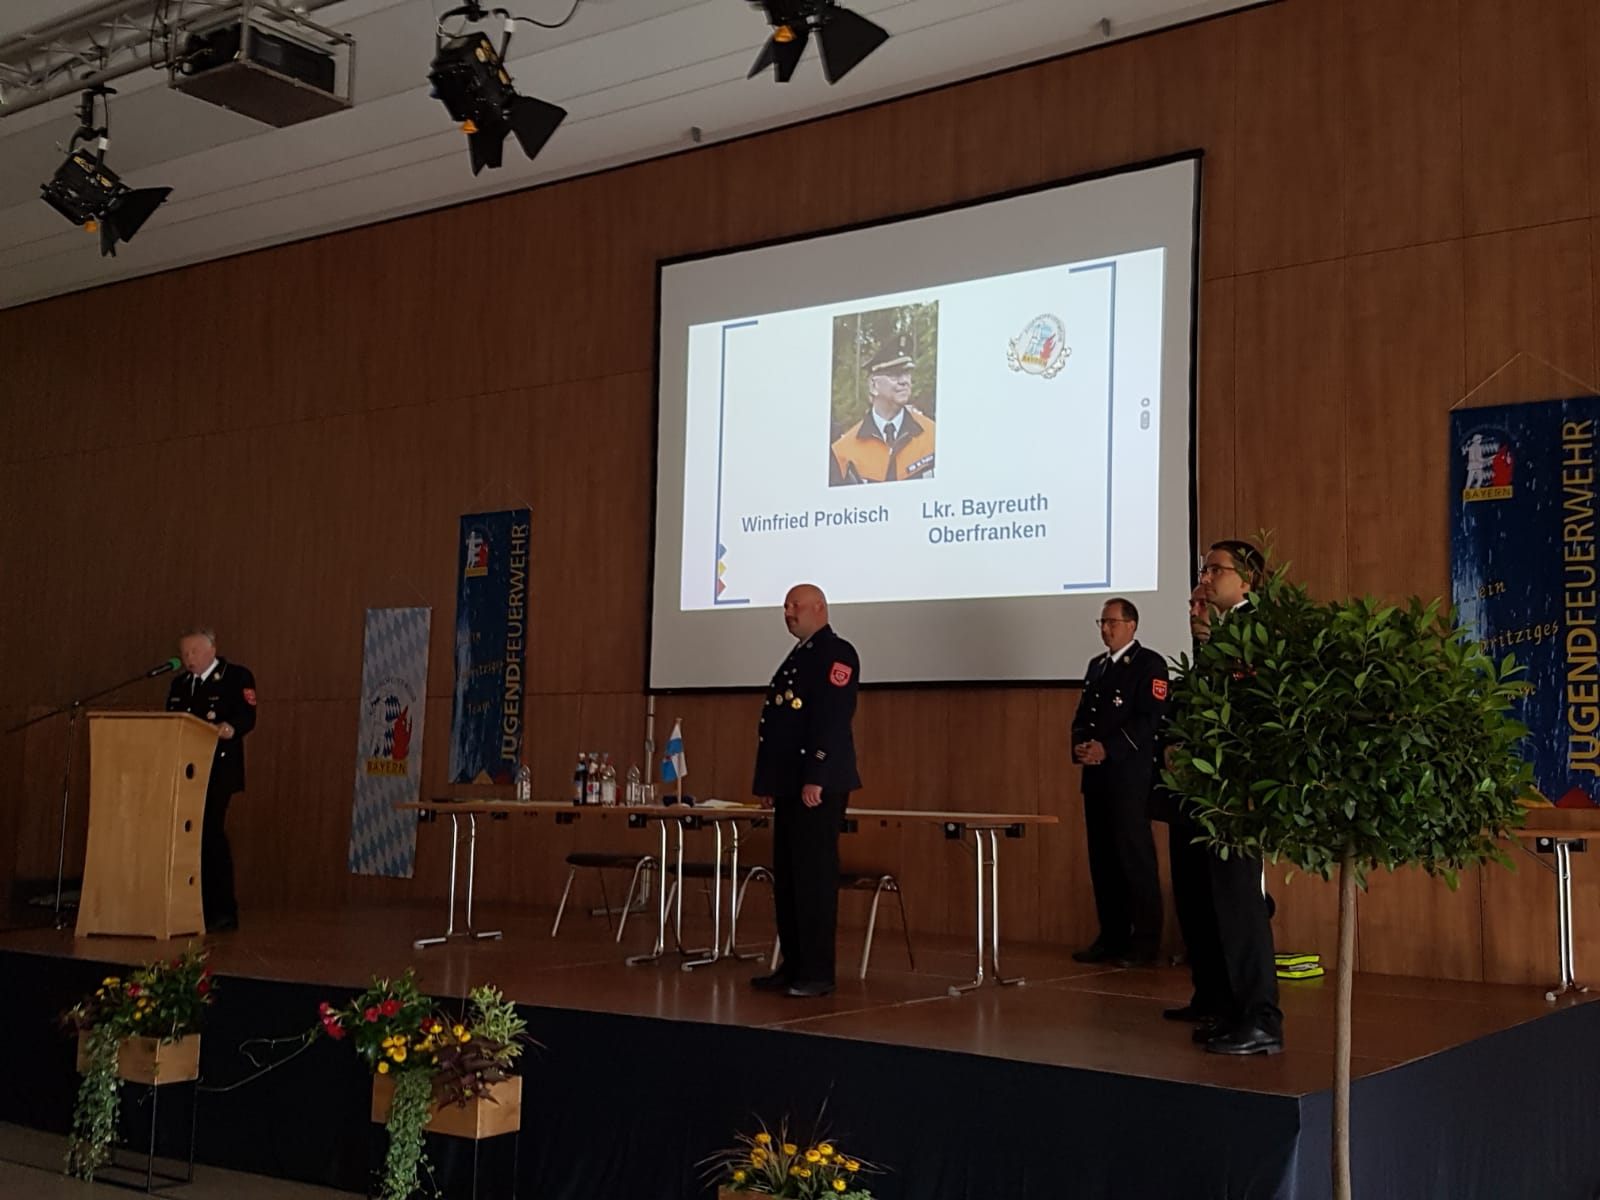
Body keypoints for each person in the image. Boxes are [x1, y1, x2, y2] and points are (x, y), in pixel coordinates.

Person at [1189, 540, 1283, 1055]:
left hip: (1241, 789)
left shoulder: (1256, 630)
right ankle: (1234, 1009)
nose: (1205, 578)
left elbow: (1251, 707)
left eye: (1215, 570)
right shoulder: (1224, 632)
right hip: (1217, 787)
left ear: (1247, 580)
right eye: (1204, 569)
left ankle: (1262, 1018)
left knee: (1243, 905)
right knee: (1220, 904)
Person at [749, 584, 861, 998]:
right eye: (785, 606)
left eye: (795, 605)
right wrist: (769, 783)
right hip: (790, 786)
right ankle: (793, 964)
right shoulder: (799, 657)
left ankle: (816, 971)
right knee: (789, 879)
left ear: (820, 608)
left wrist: (817, 773)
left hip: (817, 784)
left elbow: (832, 718)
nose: (788, 612)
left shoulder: (836, 653)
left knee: (813, 878)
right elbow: (776, 725)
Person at [1069, 598, 1168, 966]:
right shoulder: (1097, 666)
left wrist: (1108, 749)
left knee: (1134, 859)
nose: (1105, 629)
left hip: (1129, 777)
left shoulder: (1148, 664)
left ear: (1131, 625)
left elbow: (1148, 720)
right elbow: (1084, 716)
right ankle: (1111, 937)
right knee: (1103, 860)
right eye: (1102, 622)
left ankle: (1144, 943)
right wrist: (1081, 745)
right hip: (1096, 778)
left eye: (1112, 622)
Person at [1159, 584, 1233, 1033]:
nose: (1194, 610)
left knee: (1218, 905)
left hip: (1218, 802)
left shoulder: (1232, 661)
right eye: (1191, 604)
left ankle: (1228, 1004)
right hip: (1184, 799)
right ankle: (1205, 994)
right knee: (1190, 902)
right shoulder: (1195, 664)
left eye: (1202, 603)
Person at [166, 627, 257, 932]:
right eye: (184, 653)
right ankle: (190, 907)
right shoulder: (180, 684)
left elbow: (247, 716)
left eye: (194, 651)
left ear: (212, 650)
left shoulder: (236, 677)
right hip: (184, 771)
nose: (188, 658)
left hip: (218, 770)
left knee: (210, 833)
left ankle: (222, 909)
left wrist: (229, 728)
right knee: (188, 837)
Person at [829, 339, 936, 484]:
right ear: (873, 385)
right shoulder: (844, 451)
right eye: (894, 375)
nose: (905, 381)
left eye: (907, 373)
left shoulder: (933, 434)